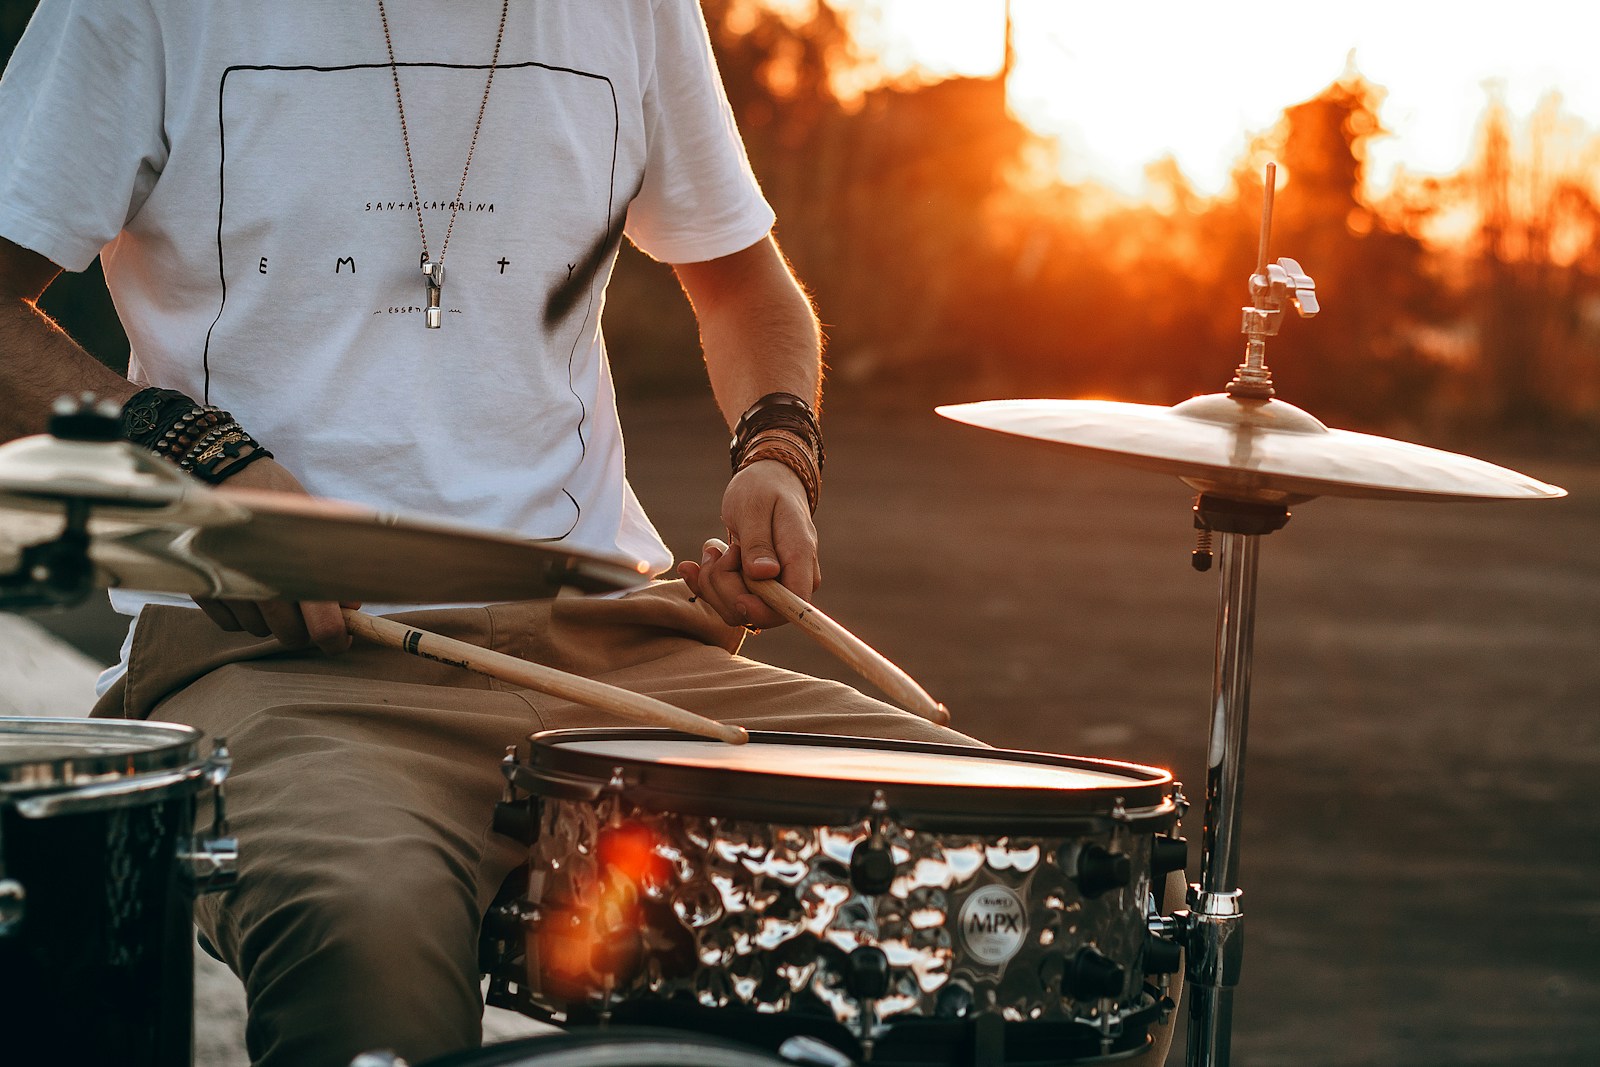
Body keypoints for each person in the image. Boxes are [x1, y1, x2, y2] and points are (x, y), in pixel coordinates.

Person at [0, 3, 1178, 1066]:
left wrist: (778, 451)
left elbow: (743, 285)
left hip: (613, 642)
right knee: (367, 945)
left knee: (1055, 891)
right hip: (288, 662)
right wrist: (186, 467)